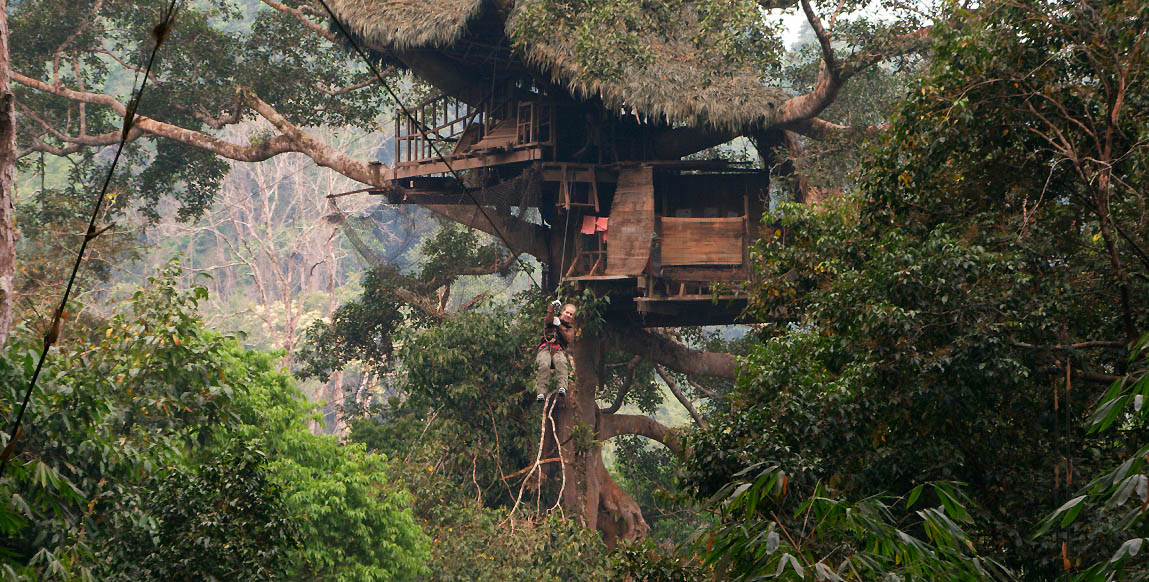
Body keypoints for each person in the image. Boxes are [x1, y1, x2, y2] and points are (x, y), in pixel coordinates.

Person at [536, 299, 576, 402]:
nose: (568, 315)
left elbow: (568, 339)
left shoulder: (570, 329)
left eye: (571, 314)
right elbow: (548, 319)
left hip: (558, 350)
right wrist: (552, 307)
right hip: (545, 348)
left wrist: (560, 327)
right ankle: (541, 392)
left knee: (561, 363)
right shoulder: (553, 320)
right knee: (544, 364)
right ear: (562, 312)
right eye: (567, 312)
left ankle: (562, 387)